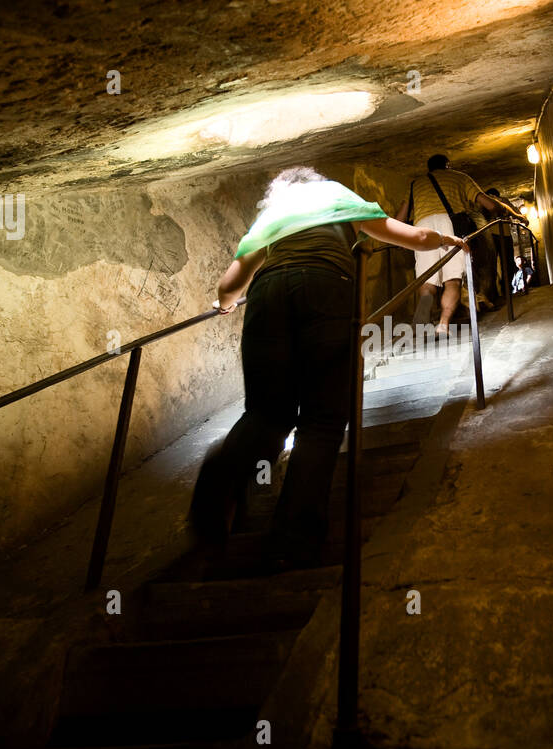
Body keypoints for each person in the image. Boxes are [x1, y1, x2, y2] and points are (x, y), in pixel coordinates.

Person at [189, 167, 469, 570]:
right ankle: (292, 540)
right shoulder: (337, 197)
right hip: (326, 289)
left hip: (267, 297)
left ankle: (211, 509)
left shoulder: (272, 217)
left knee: (266, 416)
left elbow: (230, 285)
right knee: (321, 422)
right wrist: (451, 240)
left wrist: (227, 304)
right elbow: (416, 237)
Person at [397, 154, 522, 336]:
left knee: (428, 281)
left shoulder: (415, 184)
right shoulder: (459, 177)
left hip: (421, 227)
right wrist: (506, 211)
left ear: (428, 168)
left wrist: (400, 238)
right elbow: (488, 204)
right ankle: (443, 325)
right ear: (448, 165)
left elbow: (400, 217)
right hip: (450, 226)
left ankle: (422, 325)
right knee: (452, 280)